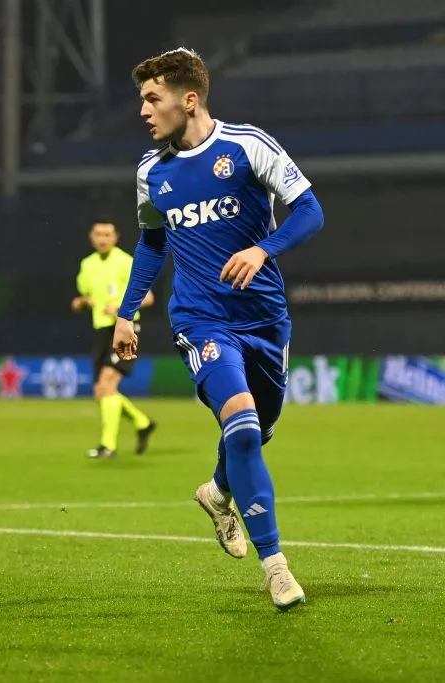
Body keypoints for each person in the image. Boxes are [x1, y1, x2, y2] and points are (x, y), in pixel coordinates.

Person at [113, 48, 324, 610]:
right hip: (201, 321)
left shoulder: (247, 145)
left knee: (261, 428)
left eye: (152, 99)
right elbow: (152, 242)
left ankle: (218, 491)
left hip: (264, 318)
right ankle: (276, 566)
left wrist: (263, 248)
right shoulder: (150, 172)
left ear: (189, 100)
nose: (143, 111)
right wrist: (126, 312)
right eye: (141, 100)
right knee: (246, 428)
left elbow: (309, 210)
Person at [71, 219, 157, 459]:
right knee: (101, 391)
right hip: (102, 331)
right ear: (91, 236)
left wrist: (121, 307)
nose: (102, 239)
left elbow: (148, 298)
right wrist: (82, 303)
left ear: (115, 237)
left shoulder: (126, 262)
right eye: (98, 234)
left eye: (107, 234)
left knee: (107, 386)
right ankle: (142, 422)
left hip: (125, 330)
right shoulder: (87, 265)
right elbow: (88, 296)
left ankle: (107, 446)